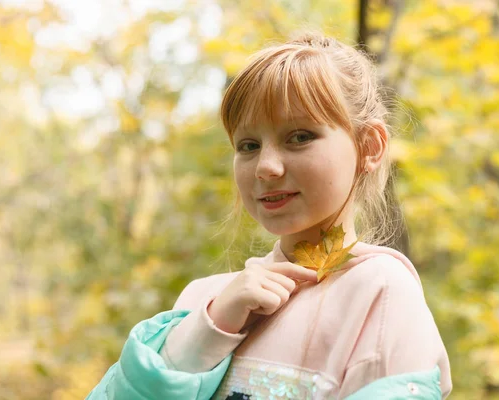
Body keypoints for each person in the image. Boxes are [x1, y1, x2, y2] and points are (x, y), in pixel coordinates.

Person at [86, 32, 452, 400]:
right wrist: (209, 328)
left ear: (369, 146)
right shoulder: (202, 300)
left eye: (299, 137)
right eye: (248, 145)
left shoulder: (380, 290)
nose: (266, 167)